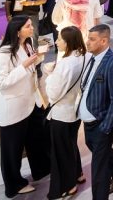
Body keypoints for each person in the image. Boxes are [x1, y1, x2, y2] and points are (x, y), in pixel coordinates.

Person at [0, 16, 50, 197]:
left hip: (31, 101)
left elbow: (31, 69)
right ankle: (14, 185)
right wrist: (24, 66)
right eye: (28, 26)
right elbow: (1, 83)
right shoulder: (3, 54)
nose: (32, 28)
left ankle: (42, 169)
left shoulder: (28, 44)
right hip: (14, 108)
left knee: (36, 139)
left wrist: (37, 59)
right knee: (13, 150)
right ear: (17, 31)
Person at [78, 25, 113, 198]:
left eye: (92, 39)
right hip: (89, 123)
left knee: (98, 169)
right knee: (97, 150)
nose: (88, 42)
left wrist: (106, 127)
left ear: (104, 40)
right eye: (88, 38)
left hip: (102, 124)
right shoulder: (92, 59)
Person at [44, 26, 88, 200]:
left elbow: (53, 93)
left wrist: (49, 74)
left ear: (68, 42)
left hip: (62, 112)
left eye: (59, 39)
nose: (56, 42)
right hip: (75, 110)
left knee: (60, 152)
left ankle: (67, 186)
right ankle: (78, 173)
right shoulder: (84, 56)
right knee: (70, 145)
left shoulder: (65, 64)